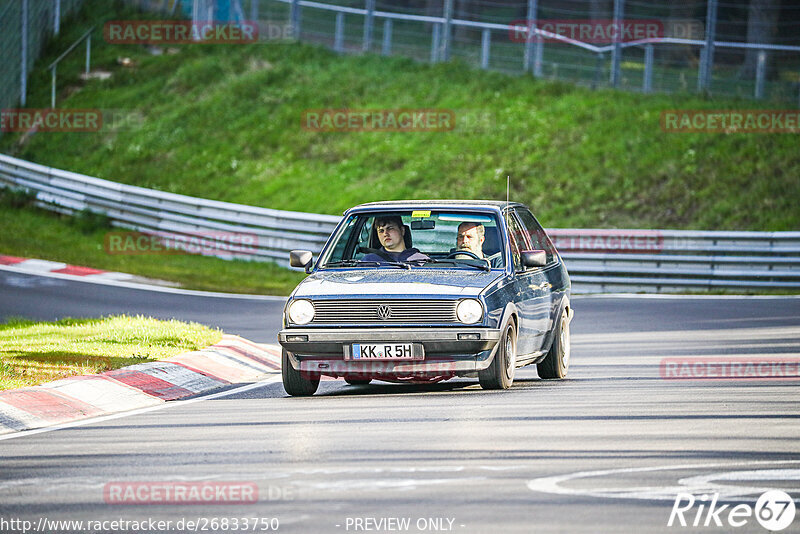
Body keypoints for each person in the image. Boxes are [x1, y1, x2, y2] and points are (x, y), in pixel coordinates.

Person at [362, 215, 429, 262]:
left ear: (402, 231)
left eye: (390, 228)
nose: (385, 234)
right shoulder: (368, 261)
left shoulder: (421, 260)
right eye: (381, 231)